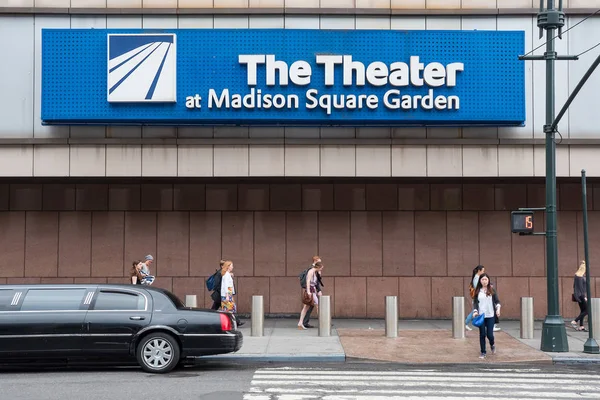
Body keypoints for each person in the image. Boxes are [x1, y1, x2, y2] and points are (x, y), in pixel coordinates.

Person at [472, 273, 501, 359]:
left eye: (486, 279)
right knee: (482, 334)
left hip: (490, 315)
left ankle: (492, 344)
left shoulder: (492, 290)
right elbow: (475, 303)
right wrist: (475, 311)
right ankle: (483, 352)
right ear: (480, 281)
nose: (484, 281)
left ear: (488, 281)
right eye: (482, 279)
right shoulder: (477, 291)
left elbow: (497, 301)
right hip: (481, 316)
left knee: (490, 335)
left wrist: (498, 309)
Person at [298, 261, 324, 330]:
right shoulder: (311, 271)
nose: (321, 269)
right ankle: (322, 323)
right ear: (318, 267)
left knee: (306, 307)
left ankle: (300, 323)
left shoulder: (315, 272)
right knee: (318, 305)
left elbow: (316, 282)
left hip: (312, 290)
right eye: (321, 268)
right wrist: (309, 292)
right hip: (311, 291)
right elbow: (308, 281)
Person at [220, 260, 244, 326]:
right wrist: (227, 295)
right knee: (229, 309)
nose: (232, 267)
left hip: (228, 294)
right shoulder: (226, 275)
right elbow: (226, 286)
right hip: (227, 294)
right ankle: (228, 323)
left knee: (228, 309)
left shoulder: (226, 274)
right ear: (228, 267)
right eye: (231, 266)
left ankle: (229, 323)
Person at [465, 265, 485, 331]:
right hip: (477, 297)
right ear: (479, 271)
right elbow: (477, 288)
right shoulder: (477, 278)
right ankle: (464, 323)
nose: (483, 272)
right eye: (483, 271)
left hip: (478, 297)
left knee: (475, 311)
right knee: (474, 311)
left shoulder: (477, 277)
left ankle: (465, 323)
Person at [571, 260, 588, 331]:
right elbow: (581, 288)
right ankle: (575, 321)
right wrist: (584, 296)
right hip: (581, 295)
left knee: (582, 310)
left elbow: (574, 286)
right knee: (587, 310)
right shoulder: (580, 277)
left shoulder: (577, 276)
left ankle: (581, 326)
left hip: (577, 295)